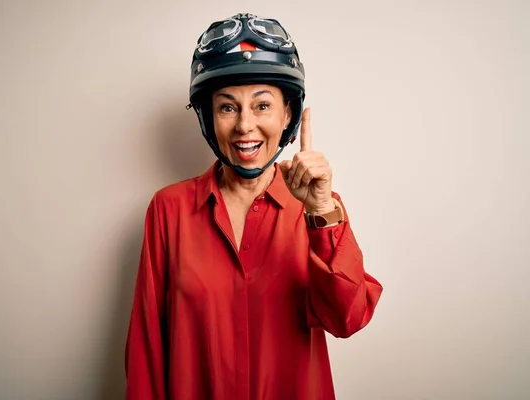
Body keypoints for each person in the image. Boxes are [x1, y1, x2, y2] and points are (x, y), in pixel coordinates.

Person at [124, 13, 383, 400]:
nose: (245, 125)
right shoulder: (168, 210)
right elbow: (147, 352)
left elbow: (347, 318)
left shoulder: (319, 208)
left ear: (287, 116)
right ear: (209, 119)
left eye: (262, 106)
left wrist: (321, 212)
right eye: (228, 107)